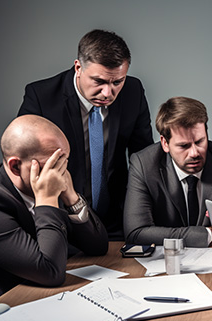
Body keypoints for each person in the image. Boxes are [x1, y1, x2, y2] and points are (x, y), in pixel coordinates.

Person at [17, 29, 153, 240]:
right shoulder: (41, 97)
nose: (108, 93)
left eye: (117, 82)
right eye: (99, 81)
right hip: (61, 222)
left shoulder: (134, 91)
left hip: (117, 222)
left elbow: (144, 157)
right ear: (78, 68)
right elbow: (25, 167)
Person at [0, 115, 108, 297]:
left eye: (65, 161)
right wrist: (47, 200)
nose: (61, 171)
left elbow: (98, 247)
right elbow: (50, 273)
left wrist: (72, 198)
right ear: (16, 166)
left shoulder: (52, 178)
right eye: (54, 164)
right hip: (9, 303)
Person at [123, 97, 212, 247]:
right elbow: (136, 233)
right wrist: (208, 234)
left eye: (200, 142)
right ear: (165, 143)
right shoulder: (143, 164)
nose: (194, 153)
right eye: (184, 146)